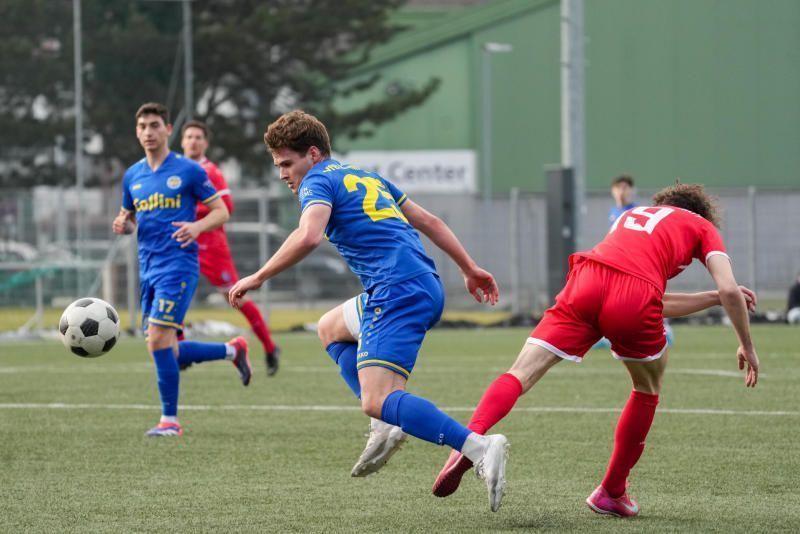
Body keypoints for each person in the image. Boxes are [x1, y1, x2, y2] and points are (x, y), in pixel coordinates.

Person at [228, 110, 509, 511]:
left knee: (377, 398)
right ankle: (385, 425)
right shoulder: (364, 176)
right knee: (329, 327)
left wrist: (258, 276)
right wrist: (469, 268)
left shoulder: (317, 180)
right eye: (278, 166)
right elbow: (428, 220)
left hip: (395, 291)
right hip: (421, 284)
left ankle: (478, 447)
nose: (283, 174)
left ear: (313, 154)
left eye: (287, 164)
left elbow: (308, 236)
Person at [431, 183, 760, 517]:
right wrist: (746, 345)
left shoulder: (634, 214)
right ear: (701, 213)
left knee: (520, 372)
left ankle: (468, 441)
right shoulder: (701, 225)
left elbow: (642, 291)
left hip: (587, 279)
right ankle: (612, 492)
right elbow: (726, 288)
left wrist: (712, 299)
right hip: (634, 294)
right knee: (647, 386)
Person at [113, 102, 251, 438]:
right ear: (136, 132)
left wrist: (197, 227)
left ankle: (170, 421)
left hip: (178, 266)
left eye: (154, 125)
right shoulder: (133, 176)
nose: (148, 132)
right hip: (148, 268)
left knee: (159, 339)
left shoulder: (187, 170)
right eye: (142, 126)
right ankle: (233, 350)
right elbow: (129, 218)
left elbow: (221, 211)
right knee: (165, 347)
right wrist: (123, 224)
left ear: (168, 130)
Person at [180, 120, 280, 375]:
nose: (193, 141)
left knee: (236, 296)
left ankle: (270, 347)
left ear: (205, 143)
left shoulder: (211, 172)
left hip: (211, 246)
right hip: (183, 244)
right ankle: (180, 351)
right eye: (189, 137)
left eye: (198, 137)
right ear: (182, 142)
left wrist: (193, 215)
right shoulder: (175, 171)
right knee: (175, 293)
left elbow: (226, 207)